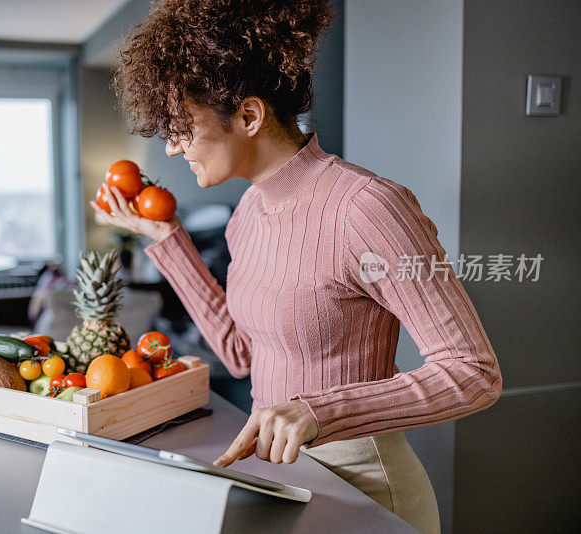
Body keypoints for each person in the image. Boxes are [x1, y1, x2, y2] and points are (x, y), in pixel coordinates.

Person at [90, 1, 502, 532]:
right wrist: (167, 239)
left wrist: (317, 412)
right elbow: (242, 355)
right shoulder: (247, 213)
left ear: (249, 115)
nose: (170, 148)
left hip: (365, 489)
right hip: (280, 478)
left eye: (181, 127)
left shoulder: (367, 207)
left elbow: (472, 372)